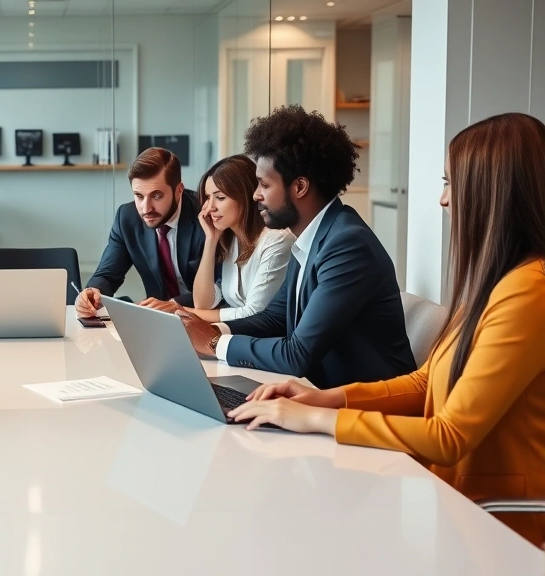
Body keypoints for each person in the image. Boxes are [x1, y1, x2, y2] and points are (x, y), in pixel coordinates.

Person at [228, 112, 545, 546]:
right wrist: (324, 398)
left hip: (495, 524)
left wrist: (316, 419)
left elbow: (449, 436)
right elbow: (425, 382)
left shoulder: (530, 291)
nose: (443, 200)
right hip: (448, 498)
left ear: (492, 191)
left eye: (450, 183)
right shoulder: (499, 283)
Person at [178, 105, 415, 389]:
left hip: (364, 404)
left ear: (300, 187)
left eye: (264, 185)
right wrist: (206, 331)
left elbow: (297, 354)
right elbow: (274, 319)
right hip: (317, 392)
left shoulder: (347, 245)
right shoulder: (311, 238)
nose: (255, 195)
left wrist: (215, 343)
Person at [142, 155, 293, 322]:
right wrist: (211, 240)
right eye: (208, 197)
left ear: (246, 196)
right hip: (232, 332)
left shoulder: (277, 241)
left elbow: (254, 313)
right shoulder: (232, 240)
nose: (210, 207)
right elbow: (203, 304)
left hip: (259, 335)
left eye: (220, 197)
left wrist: (179, 310)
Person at [75, 147, 206, 317]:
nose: (146, 209)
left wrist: (175, 305)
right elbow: (108, 275)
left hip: (204, 316)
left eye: (156, 196)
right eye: (139, 196)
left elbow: (221, 288)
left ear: (178, 191)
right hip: (158, 320)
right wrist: (93, 293)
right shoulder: (127, 218)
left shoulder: (205, 215)